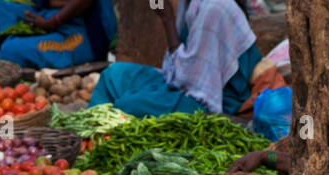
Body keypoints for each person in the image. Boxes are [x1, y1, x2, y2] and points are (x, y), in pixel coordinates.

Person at [89, 0, 262, 119]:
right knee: (113, 75)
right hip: (184, 79)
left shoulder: (214, 9)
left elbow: (192, 83)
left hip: (214, 98)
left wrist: (167, 19)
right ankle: (89, 137)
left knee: (128, 106)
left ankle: (105, 134)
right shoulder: (192, 3)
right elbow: (179, 68)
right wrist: (166, 17)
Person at [0, 0, 115, 70]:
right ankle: (1, 54)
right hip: (47, 14)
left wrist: (52, 22)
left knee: (10, 49)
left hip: (82, 32)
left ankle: (13, 56)